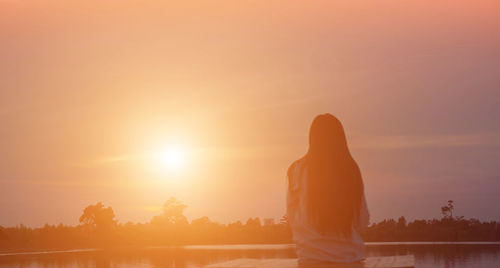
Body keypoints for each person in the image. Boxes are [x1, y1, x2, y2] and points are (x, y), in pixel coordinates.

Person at [287, 113, 369, 264]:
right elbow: (362, 222)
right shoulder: (351, 170)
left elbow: (292, 217)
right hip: (350, 259)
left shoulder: (297, 169)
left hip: (310, 259)